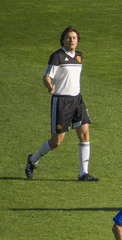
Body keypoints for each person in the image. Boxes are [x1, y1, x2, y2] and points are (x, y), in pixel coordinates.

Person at [25, 26, 99, 181]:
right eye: (68, 37)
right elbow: (47, 76)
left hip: (77, 100)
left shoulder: (79, 56)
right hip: (61, 102)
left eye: (74, 38)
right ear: (63, 40)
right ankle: (33, 160)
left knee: (85, 133)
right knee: (56, 141)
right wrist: (49, 85)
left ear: (78, 40)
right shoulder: (57, 56)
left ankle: (83, 173)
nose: (71, 40)